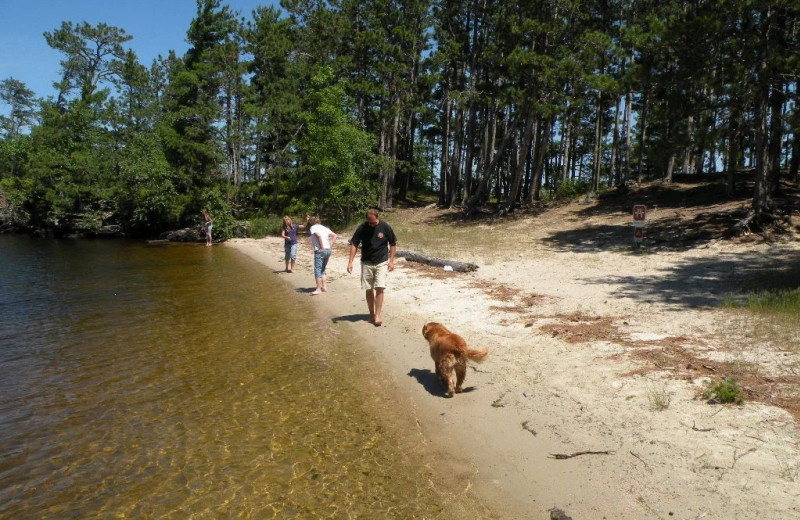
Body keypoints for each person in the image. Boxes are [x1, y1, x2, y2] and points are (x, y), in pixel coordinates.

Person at [347, 208, 397, 326]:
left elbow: (393, 243)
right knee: (368, 289)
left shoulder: (385, 227)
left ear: (377, 218)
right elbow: (354, 243)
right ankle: (371, 314)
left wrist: (391, 261)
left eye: (373, 222)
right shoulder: (362, 227)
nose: (371, 224)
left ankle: (378, 315)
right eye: (369, 222)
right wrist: (350, 262)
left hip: (381, 262)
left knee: (380, 287)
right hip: (366, 262)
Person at [308, 216, 338, 296]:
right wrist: (330, 245)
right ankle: (324, 287)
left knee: (318, 269)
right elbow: (335, 235)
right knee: (323, 268)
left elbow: (318, 236)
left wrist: (321, 247)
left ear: (311, 222)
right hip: (328, 250)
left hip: (320, 250)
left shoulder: (313, 227)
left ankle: (318, 289)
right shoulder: (324, 228)